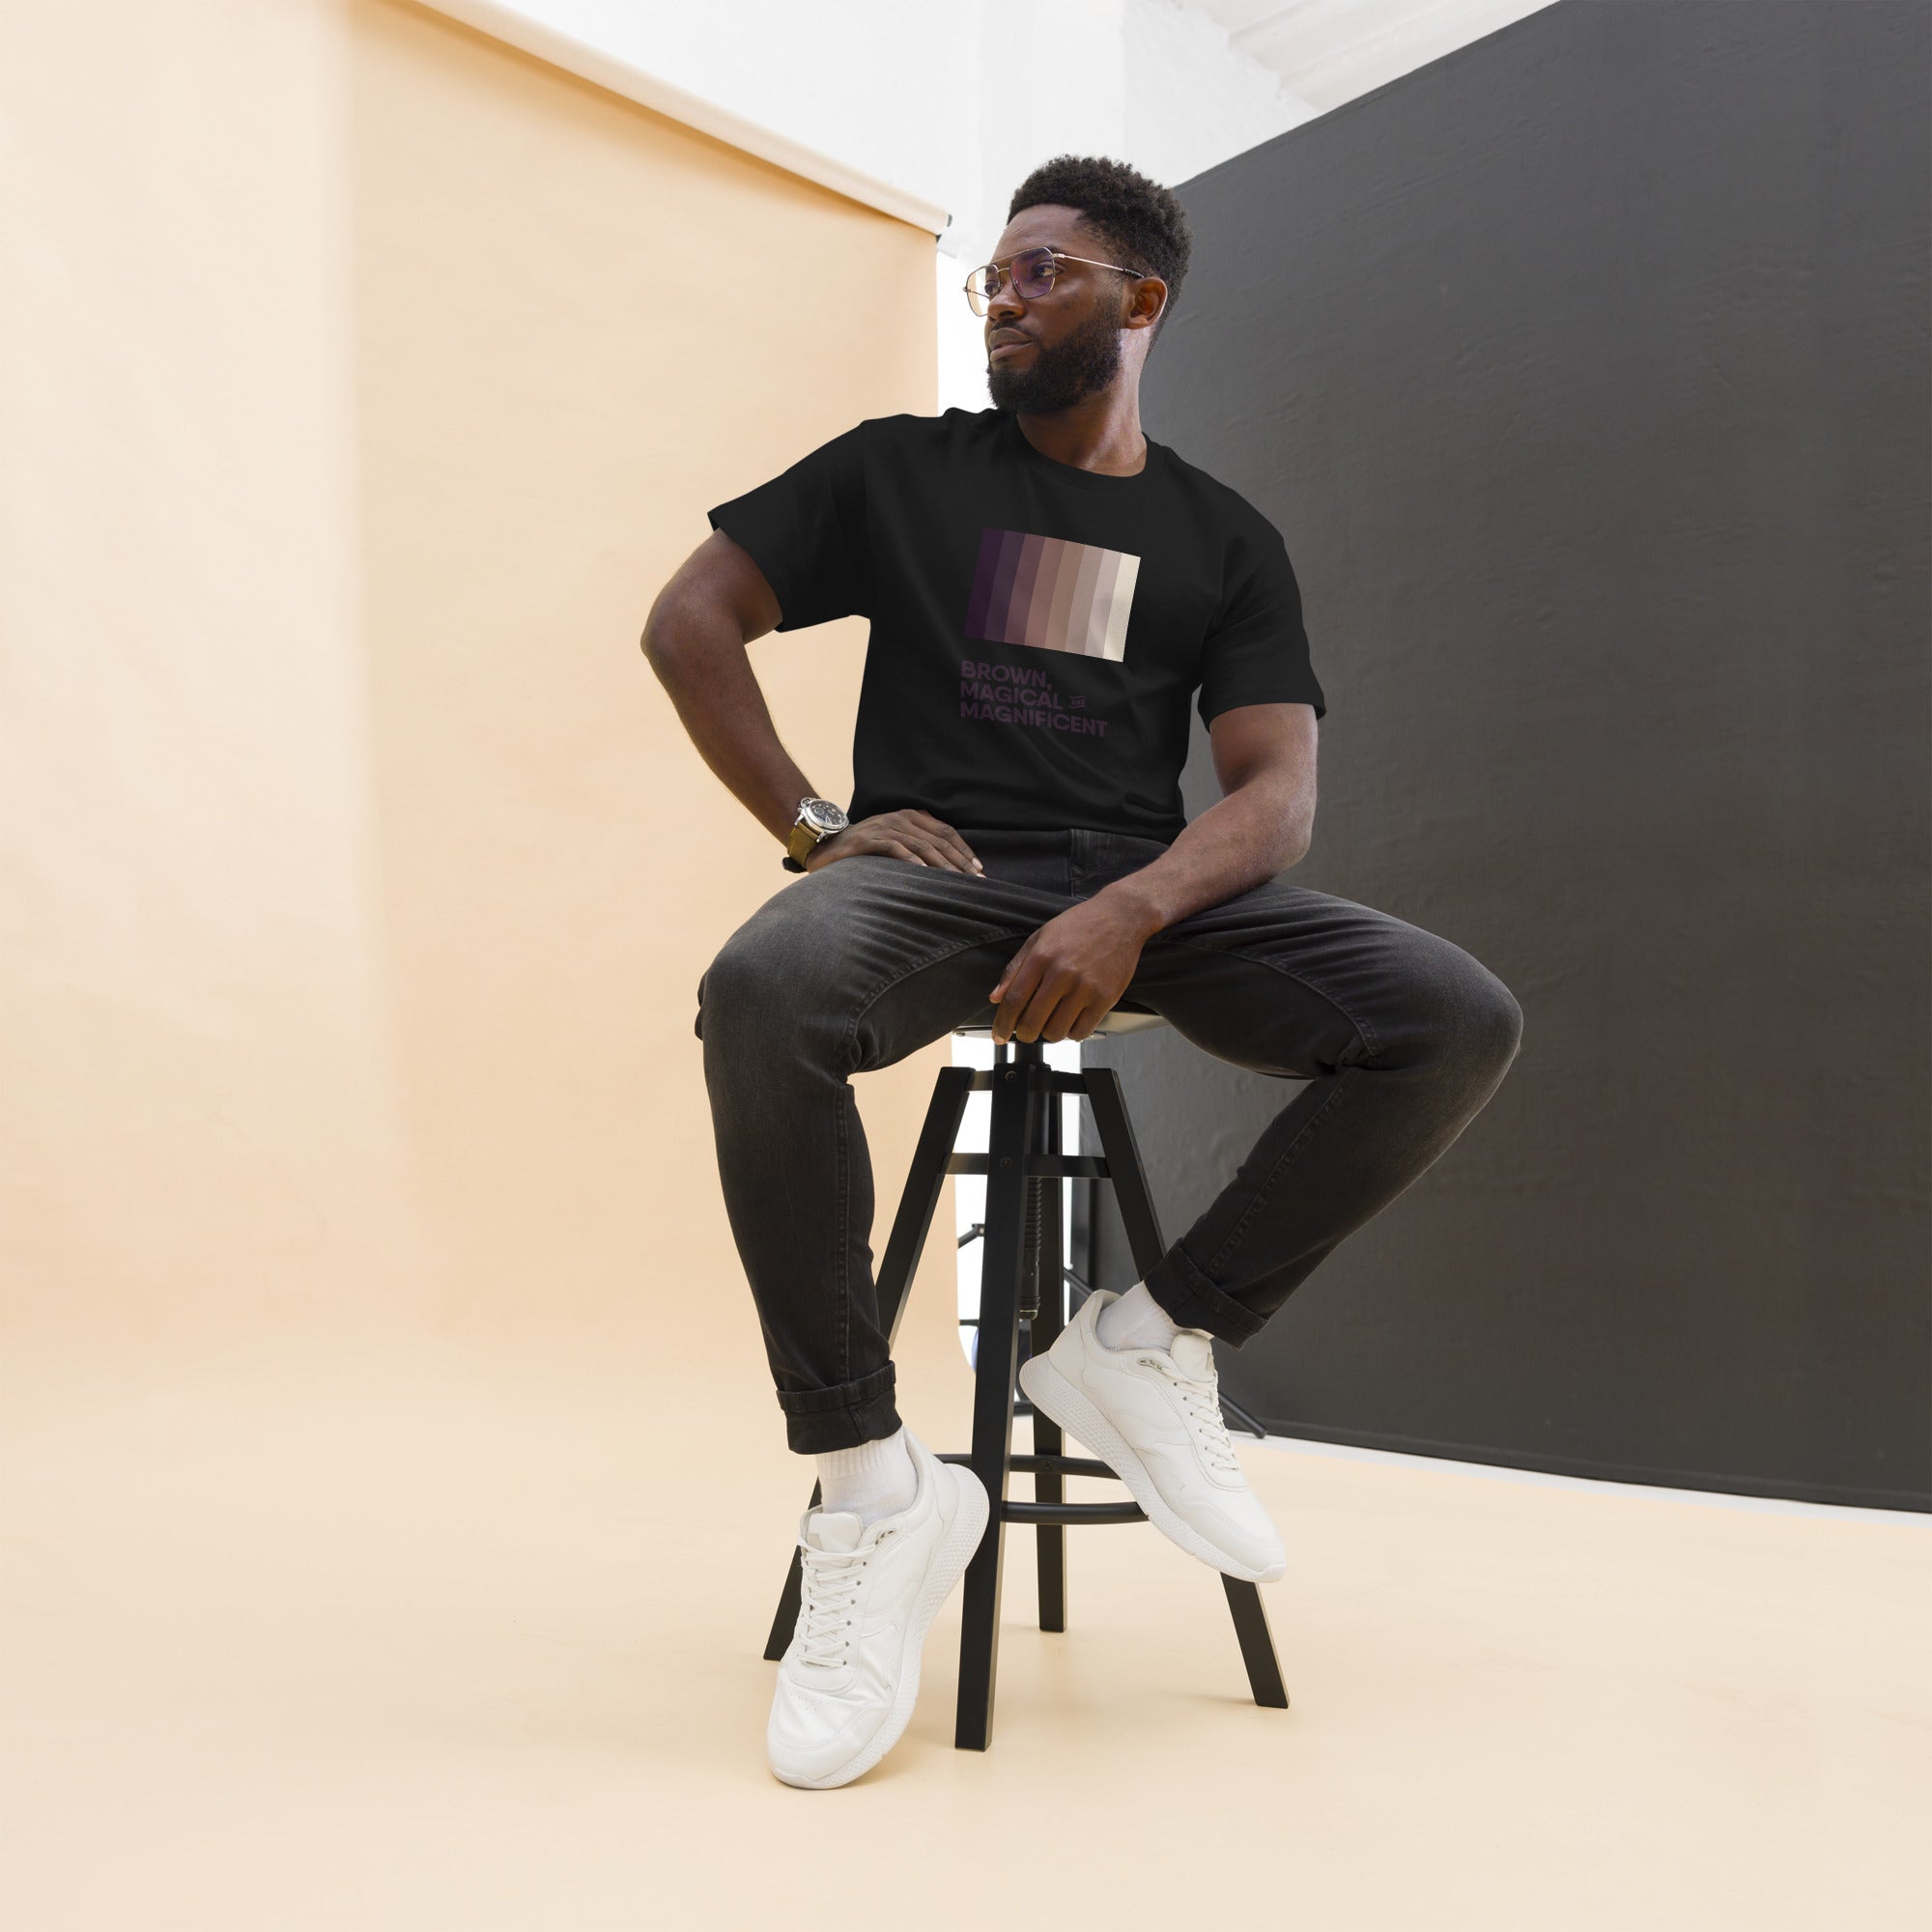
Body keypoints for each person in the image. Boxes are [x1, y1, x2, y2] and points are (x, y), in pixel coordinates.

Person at [641, 154, 1523, 1789]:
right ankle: (872, 1490)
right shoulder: (904, 475)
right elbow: (690, 617)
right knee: (761, 994)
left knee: (1451, 1017)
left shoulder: (1221, 538)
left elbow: (1275, 794)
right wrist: (820, 825)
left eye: (1041, 271)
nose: (1003, 295)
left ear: (1141, 299)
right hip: (941, 889)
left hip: (1145, 899)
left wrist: (1132, 909)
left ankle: (1144, 1341)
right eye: (992, 275)